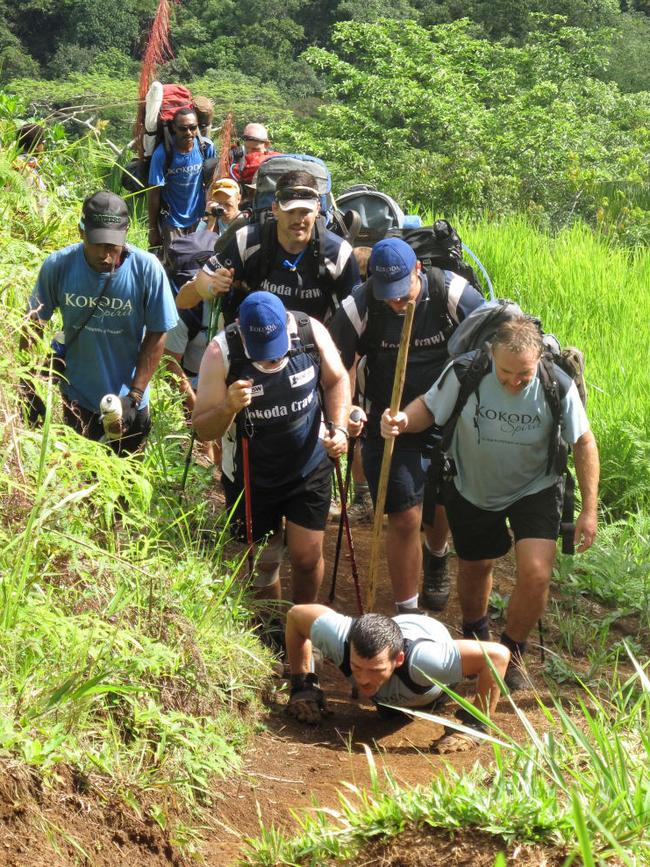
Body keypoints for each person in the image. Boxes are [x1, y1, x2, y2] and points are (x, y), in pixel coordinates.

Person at [380, 316, 600, 689]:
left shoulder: (556, 384)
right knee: (476, 567)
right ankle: (476, 637)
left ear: (538, 363)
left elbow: (583, 442)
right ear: (491, 356)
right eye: (505, 373)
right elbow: (430, 409)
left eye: (524, 374)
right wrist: (401, 420)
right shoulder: (466, 372)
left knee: (536, 572)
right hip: (472, 486)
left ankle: (512, 653)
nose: (514, 382)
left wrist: (589, 509)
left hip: (536, 487)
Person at [329, 237, 485, 613]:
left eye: (402, 293)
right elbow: (340, 364)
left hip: (449, 415)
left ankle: (436, 555)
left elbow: (489, 340)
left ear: (416, 270)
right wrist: (349, 409)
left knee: (441, 503)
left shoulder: (452, 291)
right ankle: (408, 611)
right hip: (390, 419)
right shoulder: (360, 305)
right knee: (404, 516)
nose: (397, 303)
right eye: (388, 296)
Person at [192, 291, 350, 609]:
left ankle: (303, 626)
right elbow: (203, 429)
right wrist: (228, 407)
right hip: (251, 474)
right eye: (263, 355)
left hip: (309, 463)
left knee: (306, 557)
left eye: (277, 351)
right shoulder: (219, 353)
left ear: (286, 324)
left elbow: (337, 379)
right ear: (240, 328)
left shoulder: (310, 331)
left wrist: (340, 427)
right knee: (265, 562)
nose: (272, 361)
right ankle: (272, 631)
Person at [22, 191, 178, 455]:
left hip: (129, 404)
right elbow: (32, 323)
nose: (106, 255)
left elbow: (157, 332)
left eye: (113, 245)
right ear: (81, 232)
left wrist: (135, 395)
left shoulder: (146, 269)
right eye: (98, 244)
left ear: (126, 234)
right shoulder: (59, 266)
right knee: (82, 477)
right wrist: (28, 386)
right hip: (78, 398)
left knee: (126, 485)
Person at [285, 604, 510, 753]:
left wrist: (475, 725)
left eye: (375, 670)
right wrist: (303, 685)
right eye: (356, 667)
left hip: (427, 680)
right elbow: (296, 615)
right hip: (392, 648)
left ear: (398, 659)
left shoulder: (427, 662)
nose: (362, 679)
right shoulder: (340, 639)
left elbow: (497, 656)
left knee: (402, 706)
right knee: (387, 710)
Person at [182, 170, 360, 324]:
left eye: (305, 211)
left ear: (317, 209)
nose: (298, 220)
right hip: (253, 339)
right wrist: (211, 286)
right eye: (290, 211)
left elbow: (355, 316)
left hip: (312, 345)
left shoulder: (339, 253)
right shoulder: (248, 240)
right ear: (275, 208)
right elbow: (183, 300)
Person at [147, 106, 215, 262]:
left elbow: (212, 182)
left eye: (193, 127)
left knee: (199, 261)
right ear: (173, 128)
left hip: (199, 218)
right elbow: (154, 193)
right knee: (175, 263)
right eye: (183, 129)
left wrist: (210, 216)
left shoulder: (206, 148)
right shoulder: (163, 154)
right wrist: (153, 229)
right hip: (172, 221)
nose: (189, 133)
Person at [230, 122, 280, 191]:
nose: (250, 153)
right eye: (246, 148)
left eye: (255, 149)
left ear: (266, 144)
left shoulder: (276, 161)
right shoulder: (234, 160)